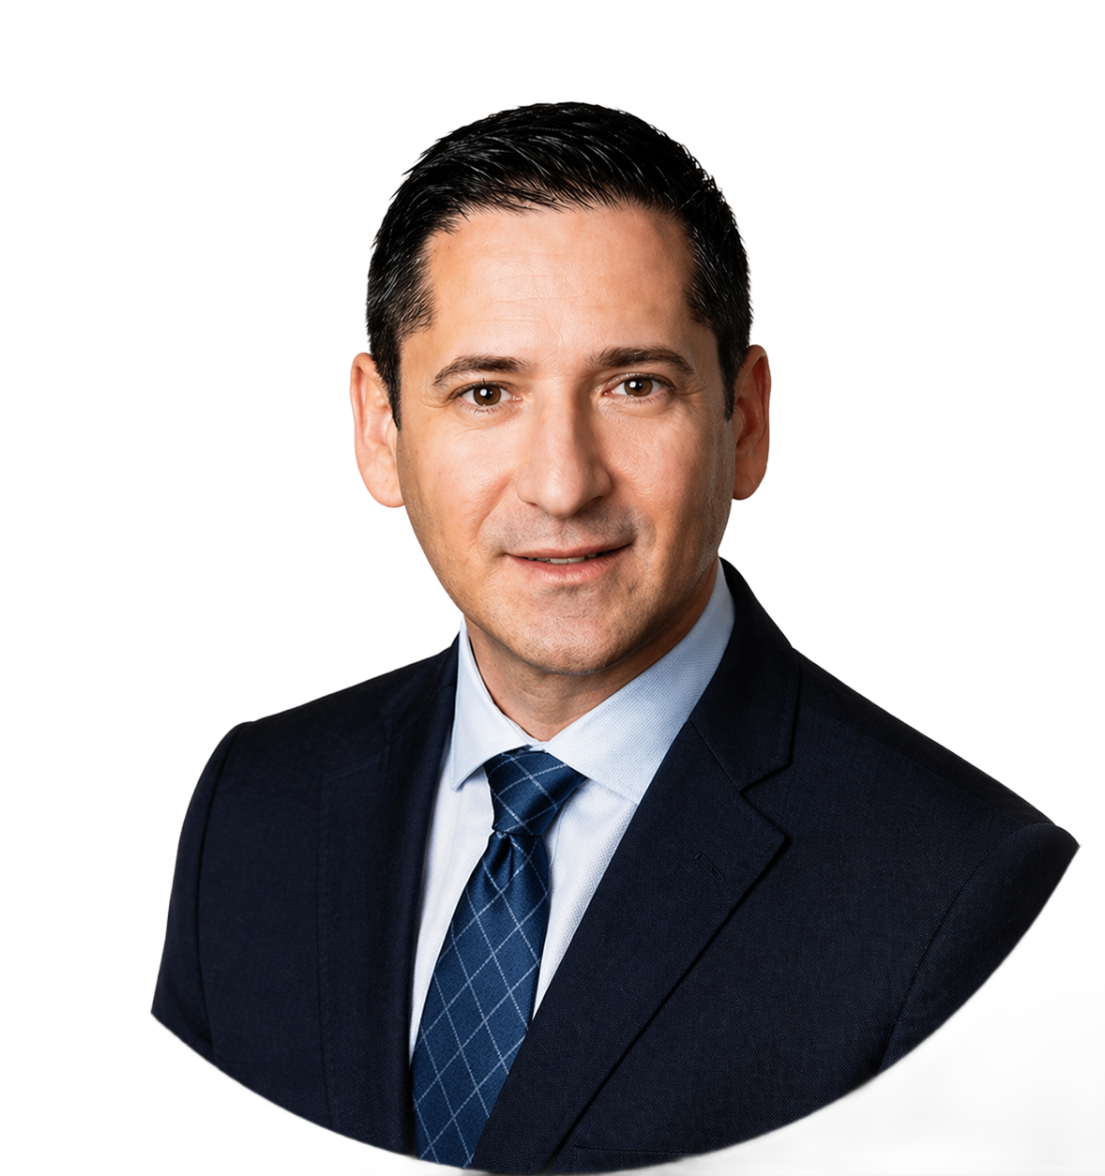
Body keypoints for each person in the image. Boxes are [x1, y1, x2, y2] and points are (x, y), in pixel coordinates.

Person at [149, 100, 1080, 1170]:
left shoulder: (965, 889)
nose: (562, 483)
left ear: (744, 421)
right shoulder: (257, 801)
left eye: (634, 386)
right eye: (486, 391)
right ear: (378, 427)